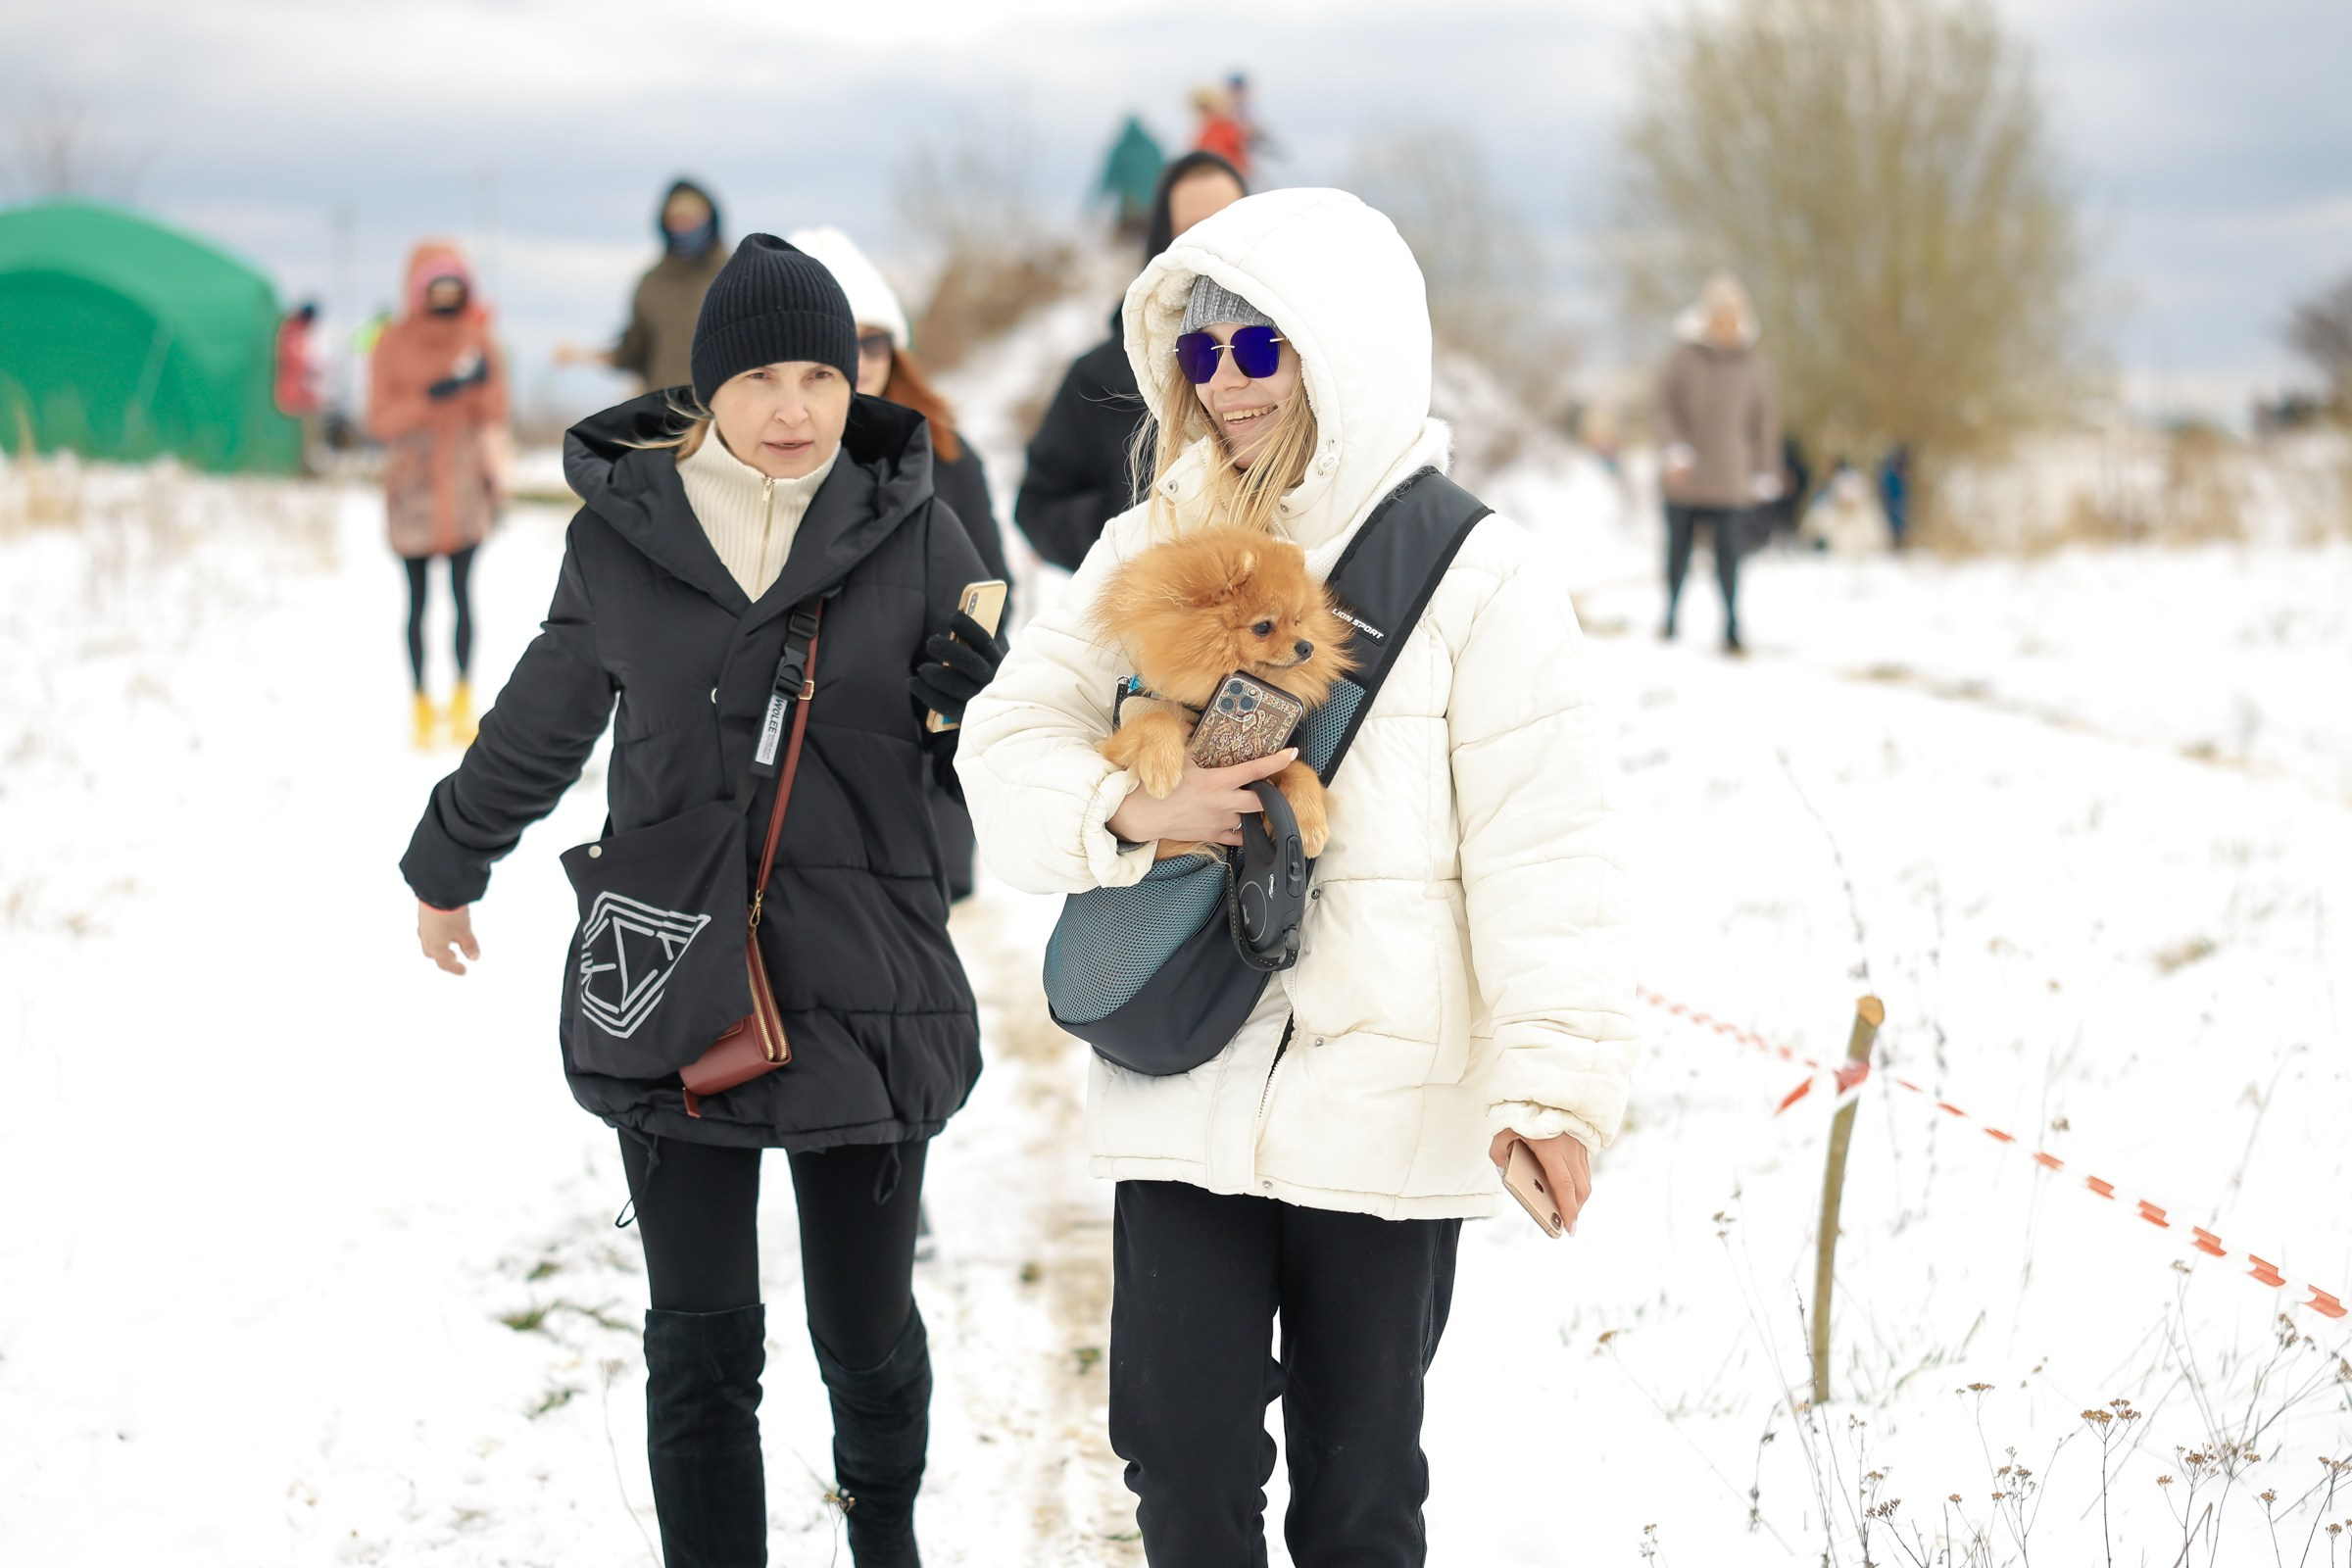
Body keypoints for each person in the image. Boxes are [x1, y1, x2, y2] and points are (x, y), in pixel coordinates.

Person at [957, 189, 1637, 1567]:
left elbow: (1547, 846)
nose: (1224, 385)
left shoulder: (1477, 574)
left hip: (1386, 1100)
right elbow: (1005, 743)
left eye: (1256, 350)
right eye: (1198, 356)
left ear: (1343, 349)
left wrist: (1554, 1088)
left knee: (1359, 1488)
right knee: (1182, 1464)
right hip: (1184, 1067)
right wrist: (1129, 806)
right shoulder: (1150, 547)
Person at [401, 234, 1003, 1568]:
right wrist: (448, 861)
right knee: (702, 1344)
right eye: (763, 380)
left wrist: (976, 693)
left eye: (822, 376)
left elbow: (999, 754)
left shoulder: (917, 528)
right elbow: (542, 725)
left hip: (867, 979)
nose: (795, 409)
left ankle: (883, 1541)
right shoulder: (625, 541)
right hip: (678, 980)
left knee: (866, 1335)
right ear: (709, 390)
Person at [788, 223, 1011, 902]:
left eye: (874, 341)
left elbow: (990, 597)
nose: (861, 359)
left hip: (917, 748)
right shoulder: (770, 459)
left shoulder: (944, 453)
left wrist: (954, 679)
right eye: (840, 342)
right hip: (800, 759)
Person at [1013, 150, 1247, 571]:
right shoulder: (1101, 374)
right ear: (1163, 242)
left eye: (1232, 222)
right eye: (1195, 229)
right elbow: (1038, 505)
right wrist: (1133, 528)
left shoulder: (1299, 354)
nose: (1216, 242)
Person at [368, 243, 508, 748]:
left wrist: (482, 382)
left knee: (463, 596)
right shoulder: (393, 341)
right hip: (414, 488)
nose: (446, 299)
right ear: (418, 290)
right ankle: (422, 701)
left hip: (466, 485)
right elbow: (380, 418)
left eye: (455, 290)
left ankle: (465, 698)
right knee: (418, 600)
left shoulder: (478, 338)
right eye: (436, 289)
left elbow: (494, 412)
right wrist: (436, 395)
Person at [1653, 270, 1779, 655]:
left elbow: (1765, 420)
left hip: (1731, 476)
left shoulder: (1754, 364)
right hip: (1685, 476)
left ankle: (1731, 625)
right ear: (1707, 317)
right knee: (1678, 552)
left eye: (1731, 315)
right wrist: (1674, 449)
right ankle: (1671, 616)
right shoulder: (1682, 357)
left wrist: (1764, 470)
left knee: (1729, 555)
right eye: (1718, 315)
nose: (1725, 323)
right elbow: (1661, 407)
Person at [558, 178, 731, 392]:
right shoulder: (652, 284)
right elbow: (631, 353)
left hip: (725, 413)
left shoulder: (736, 276)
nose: (684, 227)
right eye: (677, 220)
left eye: (691, 219)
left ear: (710, 219)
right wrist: (581, 356)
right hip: (666, 415)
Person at [1098, 114, 1166, 239]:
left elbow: (1110, 179)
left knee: (1129, 239)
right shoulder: (1152, 148)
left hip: (1132, 206)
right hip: (1149, 207)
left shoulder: (1122, 150)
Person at [1190, 85, 1251, 177]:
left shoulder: (1228, 128)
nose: (1204, 113)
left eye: (1206, 108)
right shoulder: (1203, 132)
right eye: (1201, 109)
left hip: (1228, 176)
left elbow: (1240, 157)